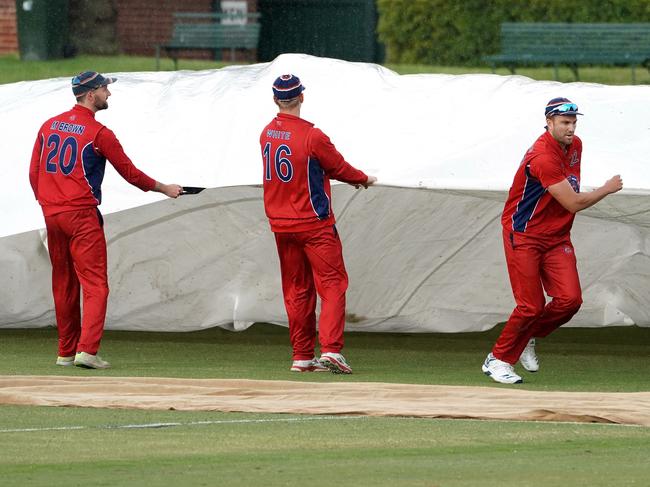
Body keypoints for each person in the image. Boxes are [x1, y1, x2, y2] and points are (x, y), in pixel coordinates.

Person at [29, 71, 183, 369]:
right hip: (81, 216)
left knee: (63, 283)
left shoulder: (48, 125)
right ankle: (87, 351)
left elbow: (34, 172)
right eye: (104, 89)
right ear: (90, 94)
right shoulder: (99, 133)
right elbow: (131, 173)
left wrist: (48, 202)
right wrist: (165, 188)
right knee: (96, 284)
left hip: (52, 214)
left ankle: (65, 352)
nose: (108, 94)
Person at [482, 97, 623, 384]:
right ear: (549, 123)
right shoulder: (543, 157)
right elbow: (572, 202)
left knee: (570, 300)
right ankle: (497, 360)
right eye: (564, 123)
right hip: (524, 235)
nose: (570, 128)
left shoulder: (576, 145)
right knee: (530, 306)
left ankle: (528, 336)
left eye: (573, 122)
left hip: (556, 236)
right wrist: (606, 189)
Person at [260, 74, 377, 374]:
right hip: (313, 222)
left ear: (275, 99)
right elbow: (338, 167)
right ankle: (331, 350)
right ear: (302, 97)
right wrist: (362, 178)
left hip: (281, 224)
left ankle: (301, 356)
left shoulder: (266, 133)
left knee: (297, 289)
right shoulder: (313, 135)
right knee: (333, 283)